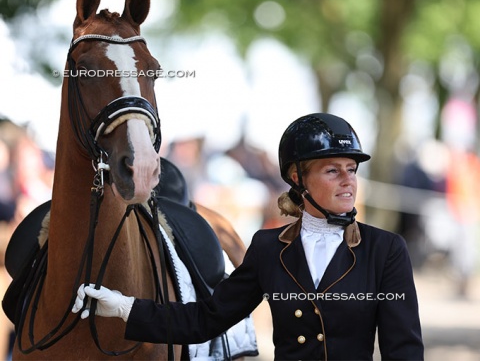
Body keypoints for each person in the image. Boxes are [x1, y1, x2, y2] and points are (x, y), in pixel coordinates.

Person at [73, 113, 424, 360]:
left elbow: (404, 351)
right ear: (298, 178)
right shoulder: (269, 248)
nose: (348, 181)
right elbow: (204, 320)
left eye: (351, 170)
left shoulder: (385, 249)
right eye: (333, 171)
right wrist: (125, 307)